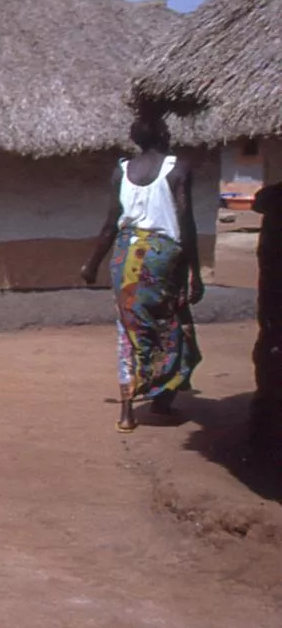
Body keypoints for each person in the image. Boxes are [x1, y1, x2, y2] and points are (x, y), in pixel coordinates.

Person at [80, 112, 205, 432]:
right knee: (174, 325)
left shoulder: (121, 171)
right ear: (164, 136)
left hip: (125, 258)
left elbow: (110, 224)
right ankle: (162, 398)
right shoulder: (178, 168)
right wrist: (196, 271)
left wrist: (92, 264)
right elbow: (186, 223)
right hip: (162, 259)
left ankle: (128, 412)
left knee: (130, 328)